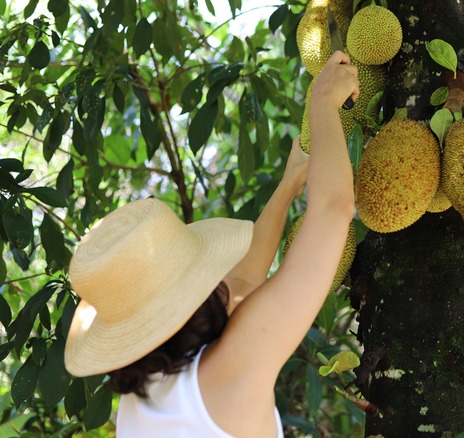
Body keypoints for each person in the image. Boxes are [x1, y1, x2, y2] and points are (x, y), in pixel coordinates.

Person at [63, 51, 360, 437]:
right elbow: (333, 211)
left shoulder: (146, 397)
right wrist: (323, 103)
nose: (217, 280)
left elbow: (242, 284)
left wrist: (289, 185)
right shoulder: (226, 372)